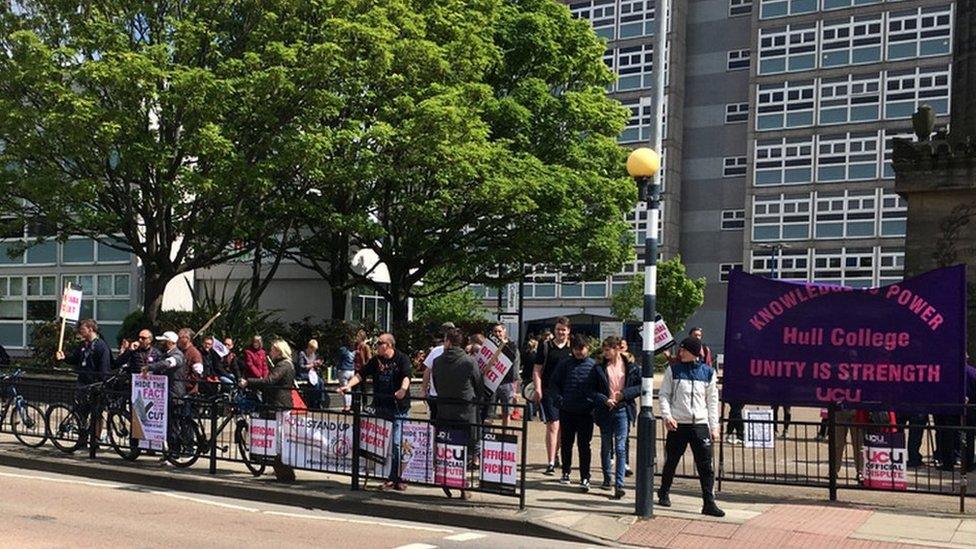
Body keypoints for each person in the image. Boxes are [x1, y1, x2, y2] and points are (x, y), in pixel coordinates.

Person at [658, 337, 724, 517]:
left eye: (684, 350)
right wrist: (667, 416)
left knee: (706, 466)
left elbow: (712, 401)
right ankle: (664, 491)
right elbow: (664, 395)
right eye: (681, 349)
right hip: (679, 423)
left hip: (700, 424)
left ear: (694, 353)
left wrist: (714, 426)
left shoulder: (708, 373)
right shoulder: (673, 370)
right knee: (671, 461)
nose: (681, 353)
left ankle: (709, 502)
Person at [338, 333, 412, 490]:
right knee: (377, 442)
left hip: (398, 407)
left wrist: (403, 390)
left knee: (397, 444)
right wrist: (348, 385)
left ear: (389, 345)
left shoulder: (402, 358)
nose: (377, 346)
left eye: (380, 343)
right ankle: (382, 476)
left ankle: (396, 477)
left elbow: (407, 376)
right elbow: (361, 374)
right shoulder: (375, 361)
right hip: (380, 406)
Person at [431, 328, 485, 499]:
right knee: (464, 451)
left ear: (447, 341)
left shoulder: (438, 361)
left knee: (446, 449)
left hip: (444, 410)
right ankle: (462, 485)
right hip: (465, 412)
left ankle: (447, 479)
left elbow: (437, 385)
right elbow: (479, 385)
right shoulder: (469, 362)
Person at [590, 336, 640, 499]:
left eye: (608, 350)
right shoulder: (598, 368)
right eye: (603, 350)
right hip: (605, 410)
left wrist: (623, 395)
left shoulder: (630, 366)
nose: (605, 353)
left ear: (617, 349)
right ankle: (607, 478)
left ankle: (619, 484)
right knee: (606, 446)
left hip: (622, 409)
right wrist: (605, 400)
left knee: (620, 447)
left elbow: (640, 386)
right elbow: (591, 390)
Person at [240, 339, 297, 482]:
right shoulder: (286, 364)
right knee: (280, 435)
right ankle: (282, 467)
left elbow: (270, 381)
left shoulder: (283, 365)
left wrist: (249, 382)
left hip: (280, 404)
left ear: (278, 351)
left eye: (272, 350)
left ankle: (283, 469)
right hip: (281, 403)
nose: (270, 352)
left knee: (280, 437)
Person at [549, 334, 596, 491]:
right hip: (567, 410)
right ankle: (566, 471)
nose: (578, 352)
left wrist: (594, 404)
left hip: (586, 413)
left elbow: (601, 387)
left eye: (581, 348)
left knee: (584, 445)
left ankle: (585, 477)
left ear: (587, 348)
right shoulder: (565, 364)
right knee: (566, 443)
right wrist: (559, 400)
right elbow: (554, 384)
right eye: (576, 349)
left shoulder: (593, 366)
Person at [56, 319, 112, 446]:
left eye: (83, 329)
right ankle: (82, 439)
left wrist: (103, 382)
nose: (80, 332)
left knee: (97, 414)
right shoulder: (82, 345)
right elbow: (75, 359)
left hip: (95, 384)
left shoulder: (101, 346)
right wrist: (64, 358)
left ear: (90, 329)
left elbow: (104, 367)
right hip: (82, 383)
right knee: (82, 413)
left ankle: (95, 440)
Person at [533, 316, 572, 475]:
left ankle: (556, 455)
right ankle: (550, 462)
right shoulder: (546, 346)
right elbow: (537, 369)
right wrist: (538, 388)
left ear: (569, 331)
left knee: (563, 428)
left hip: (568, 392)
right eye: (558, 329)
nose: (560, 332)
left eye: (563, 329)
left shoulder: (572, 347)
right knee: (553, 425)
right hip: (549, 391)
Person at [144, 331, 188, 445]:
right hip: (166, 394)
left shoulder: (177, 355)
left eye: (163, 341)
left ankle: (175, 452)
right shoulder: (166, 354)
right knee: (168, 424)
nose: (161, 344)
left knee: (173, 425)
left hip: (174, 394)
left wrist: (150, 367)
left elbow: (167, 364)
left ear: (169, 343)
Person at [489, 323, 521, 428]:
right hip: (492, 381)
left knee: (506, 412)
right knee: (489, 412)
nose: (497, 334)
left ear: (504, 332)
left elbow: (516, 365)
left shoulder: (512, 345)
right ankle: (488, 435)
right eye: (495, 331)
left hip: (507, 382)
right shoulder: (490, 345)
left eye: (499, 331)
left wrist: (516, 388)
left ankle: (504, 435)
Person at [422, 322, 456, 421]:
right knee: (434, 424)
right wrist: (423, 389)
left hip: (451, 396)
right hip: (435, 395)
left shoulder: (461, 352)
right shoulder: (436, 350)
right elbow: (427, 370)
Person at [295, 339, 324, 409]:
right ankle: (313, 403)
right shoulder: (302, 354)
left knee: (321, 382)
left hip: (312, 373)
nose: (313, 352)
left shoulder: (313, 355)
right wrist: (312, 365)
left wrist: (318, 364)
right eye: (313, 349)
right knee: (315, 384)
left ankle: (320, 401)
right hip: (304, 373)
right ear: (309, 347)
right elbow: (301, 366)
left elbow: (314, 365)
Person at [177, 328, 204, 395]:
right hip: (179, 390)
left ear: (187, 339)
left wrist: (185, 383)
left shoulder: (194, 353)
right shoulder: (180, 351)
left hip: (188, 393)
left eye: (180, 337)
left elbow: (197, 374)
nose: (178, 340)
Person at [335, 334, 357, 413]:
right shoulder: (352, 349)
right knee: (349, 389)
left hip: (344, 370)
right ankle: (349, 405)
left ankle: (346, 407)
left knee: (344, 389)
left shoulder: (342, 349)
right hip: (352, 370)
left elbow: (338, 359)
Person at [963, 362, 976, 472]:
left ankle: (968, 463)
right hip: (972, 406)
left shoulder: (955, 371)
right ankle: (969, 463)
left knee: (968, 437)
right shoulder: (972, 371)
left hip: (965, 408)